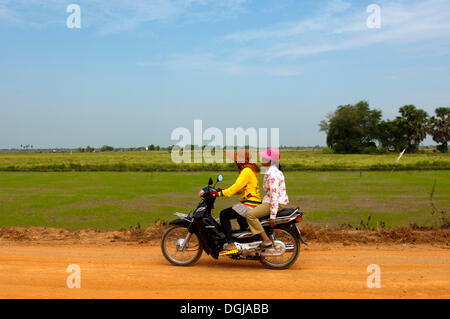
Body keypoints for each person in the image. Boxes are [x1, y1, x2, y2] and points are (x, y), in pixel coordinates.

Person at [210, 149, 261, 253]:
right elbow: (240, 189)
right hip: (253, 202)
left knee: (224, 214)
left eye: (237, 159)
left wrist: (219, 193)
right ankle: (246, 240)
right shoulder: (249, 170)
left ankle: (230, 243)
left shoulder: (246, 171)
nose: (235, 162)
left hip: (250, 204)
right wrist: (223, 191)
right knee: (238, 216)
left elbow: (236, 187)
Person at [246, 148, 289, 249]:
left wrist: (273, 216)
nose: (262, 158)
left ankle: (266, 240)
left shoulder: (273, 174)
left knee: (250, 215)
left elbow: (274, 196)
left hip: (275, 202)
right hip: (271, 200)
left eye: (264, 157)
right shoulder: (272, 171)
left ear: (270, 161)